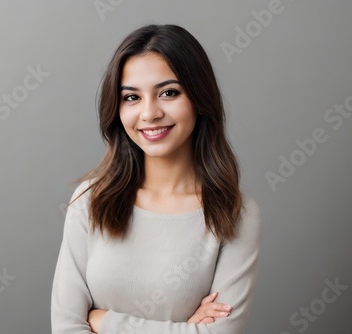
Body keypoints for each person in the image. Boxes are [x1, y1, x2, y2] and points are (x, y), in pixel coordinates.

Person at [51, 24, 261, 334]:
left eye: (168, 93)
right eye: (132, 97)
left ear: (200, 98)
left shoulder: (234, 212)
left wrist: (104, 321)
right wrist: (185, 328)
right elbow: (66, 328)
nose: (149, 113)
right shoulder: (91, 199)